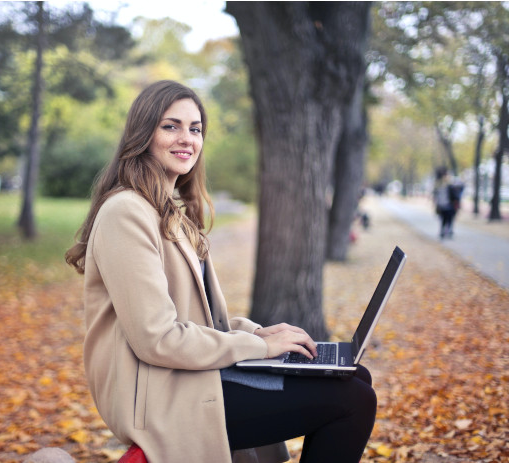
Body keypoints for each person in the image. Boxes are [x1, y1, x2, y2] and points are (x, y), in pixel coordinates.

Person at [65, 80, 376, 463]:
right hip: (158, 396)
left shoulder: (169, 210)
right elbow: (157, 337)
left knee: (355, 377)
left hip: (189, 376)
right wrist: (261, 349)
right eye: (171, 126)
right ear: (143, 134)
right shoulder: (126, 212)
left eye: (195, 129)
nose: (186, 139)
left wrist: (259, 332)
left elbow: (205, 321)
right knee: (354, 399)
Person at [433, 167, 462, 239]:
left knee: (449, 218)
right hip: (442, 205)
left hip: (449, 205)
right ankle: (444, 231)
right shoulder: (439, 185)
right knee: (444, 219)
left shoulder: (450, 185)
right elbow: (436, 196)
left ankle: (448, 230)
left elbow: (455, 195)